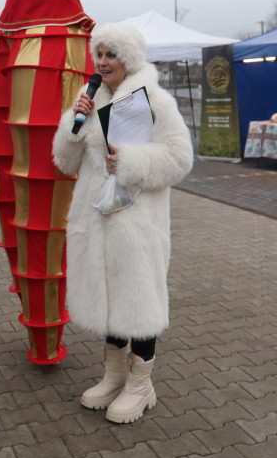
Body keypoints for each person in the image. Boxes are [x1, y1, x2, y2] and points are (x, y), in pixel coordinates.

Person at [0, 0, 117, 364]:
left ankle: (49, 326)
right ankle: (35, 319)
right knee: (16, 173)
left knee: (48, 176)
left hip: (55, 35)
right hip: (13, 36)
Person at [52, 23, 193, 422]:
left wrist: (130, 163)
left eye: (110, 54)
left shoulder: (156, 101)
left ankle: (140, 383)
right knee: (112, 300)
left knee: (138, 301)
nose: (101, 62)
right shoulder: (89, 98)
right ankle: (115, 375)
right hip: (96, 221)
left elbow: (180, 159)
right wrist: (73, 126)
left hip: (136, 225)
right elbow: (64, 162)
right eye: (99, 54)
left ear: (128, 60)